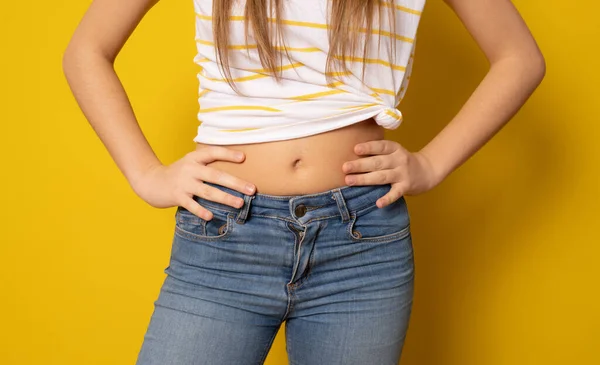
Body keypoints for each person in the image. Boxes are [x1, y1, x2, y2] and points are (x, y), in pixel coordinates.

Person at [62, 0, 545, 363]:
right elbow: (87, 49)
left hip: (362, 244)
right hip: (227, 237)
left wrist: (432, 164)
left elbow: (519, 57)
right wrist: (146, 174)